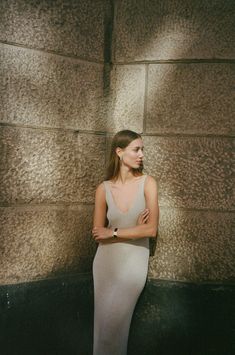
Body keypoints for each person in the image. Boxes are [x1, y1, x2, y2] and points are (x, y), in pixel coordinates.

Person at [92, 129, 159, 355]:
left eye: (142, 149)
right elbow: (98, 232)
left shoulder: (148, 183)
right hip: (105, 264)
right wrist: (133, 229)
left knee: (113, 325)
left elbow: (150, 229)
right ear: (119, 152)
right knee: (103, 330)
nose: (141, 155)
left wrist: (115, 232)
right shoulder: (103, 189)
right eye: (136, 149)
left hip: (133, 264)